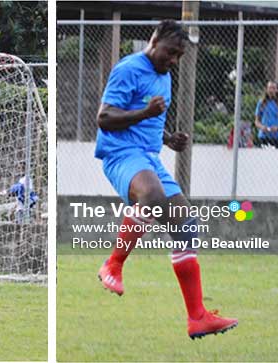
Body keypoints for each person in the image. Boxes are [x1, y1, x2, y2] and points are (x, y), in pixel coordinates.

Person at [94, 20, 237, 339]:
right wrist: (144, 114)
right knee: (153, 197)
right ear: (154, 40)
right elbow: (104, 118)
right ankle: (113, 265)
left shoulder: (165, 76)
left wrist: (169, 138)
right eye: (170, 52)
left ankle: (198, 317)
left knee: (187, 226)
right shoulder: (129, 68)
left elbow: (149, 123)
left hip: (148, 157)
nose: (173, 60)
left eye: (179, 57)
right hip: (120, 153)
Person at [254, 80, 278, 148]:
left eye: (273, 88)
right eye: (269, 88)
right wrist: (262, 127)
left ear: (277, 90)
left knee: (277, 158)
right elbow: (256, 121)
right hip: (264, 136)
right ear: (267, 89)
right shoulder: (261, 103)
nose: (271, 90)